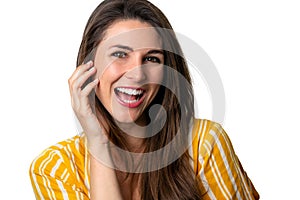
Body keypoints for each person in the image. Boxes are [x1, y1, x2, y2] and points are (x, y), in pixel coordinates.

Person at [29, 0, 259, 199]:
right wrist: (98, 142)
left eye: (151, 58)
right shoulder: (56, 167)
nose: (137, 74)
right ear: (88, 64)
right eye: (119, 54)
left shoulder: (203, 144)